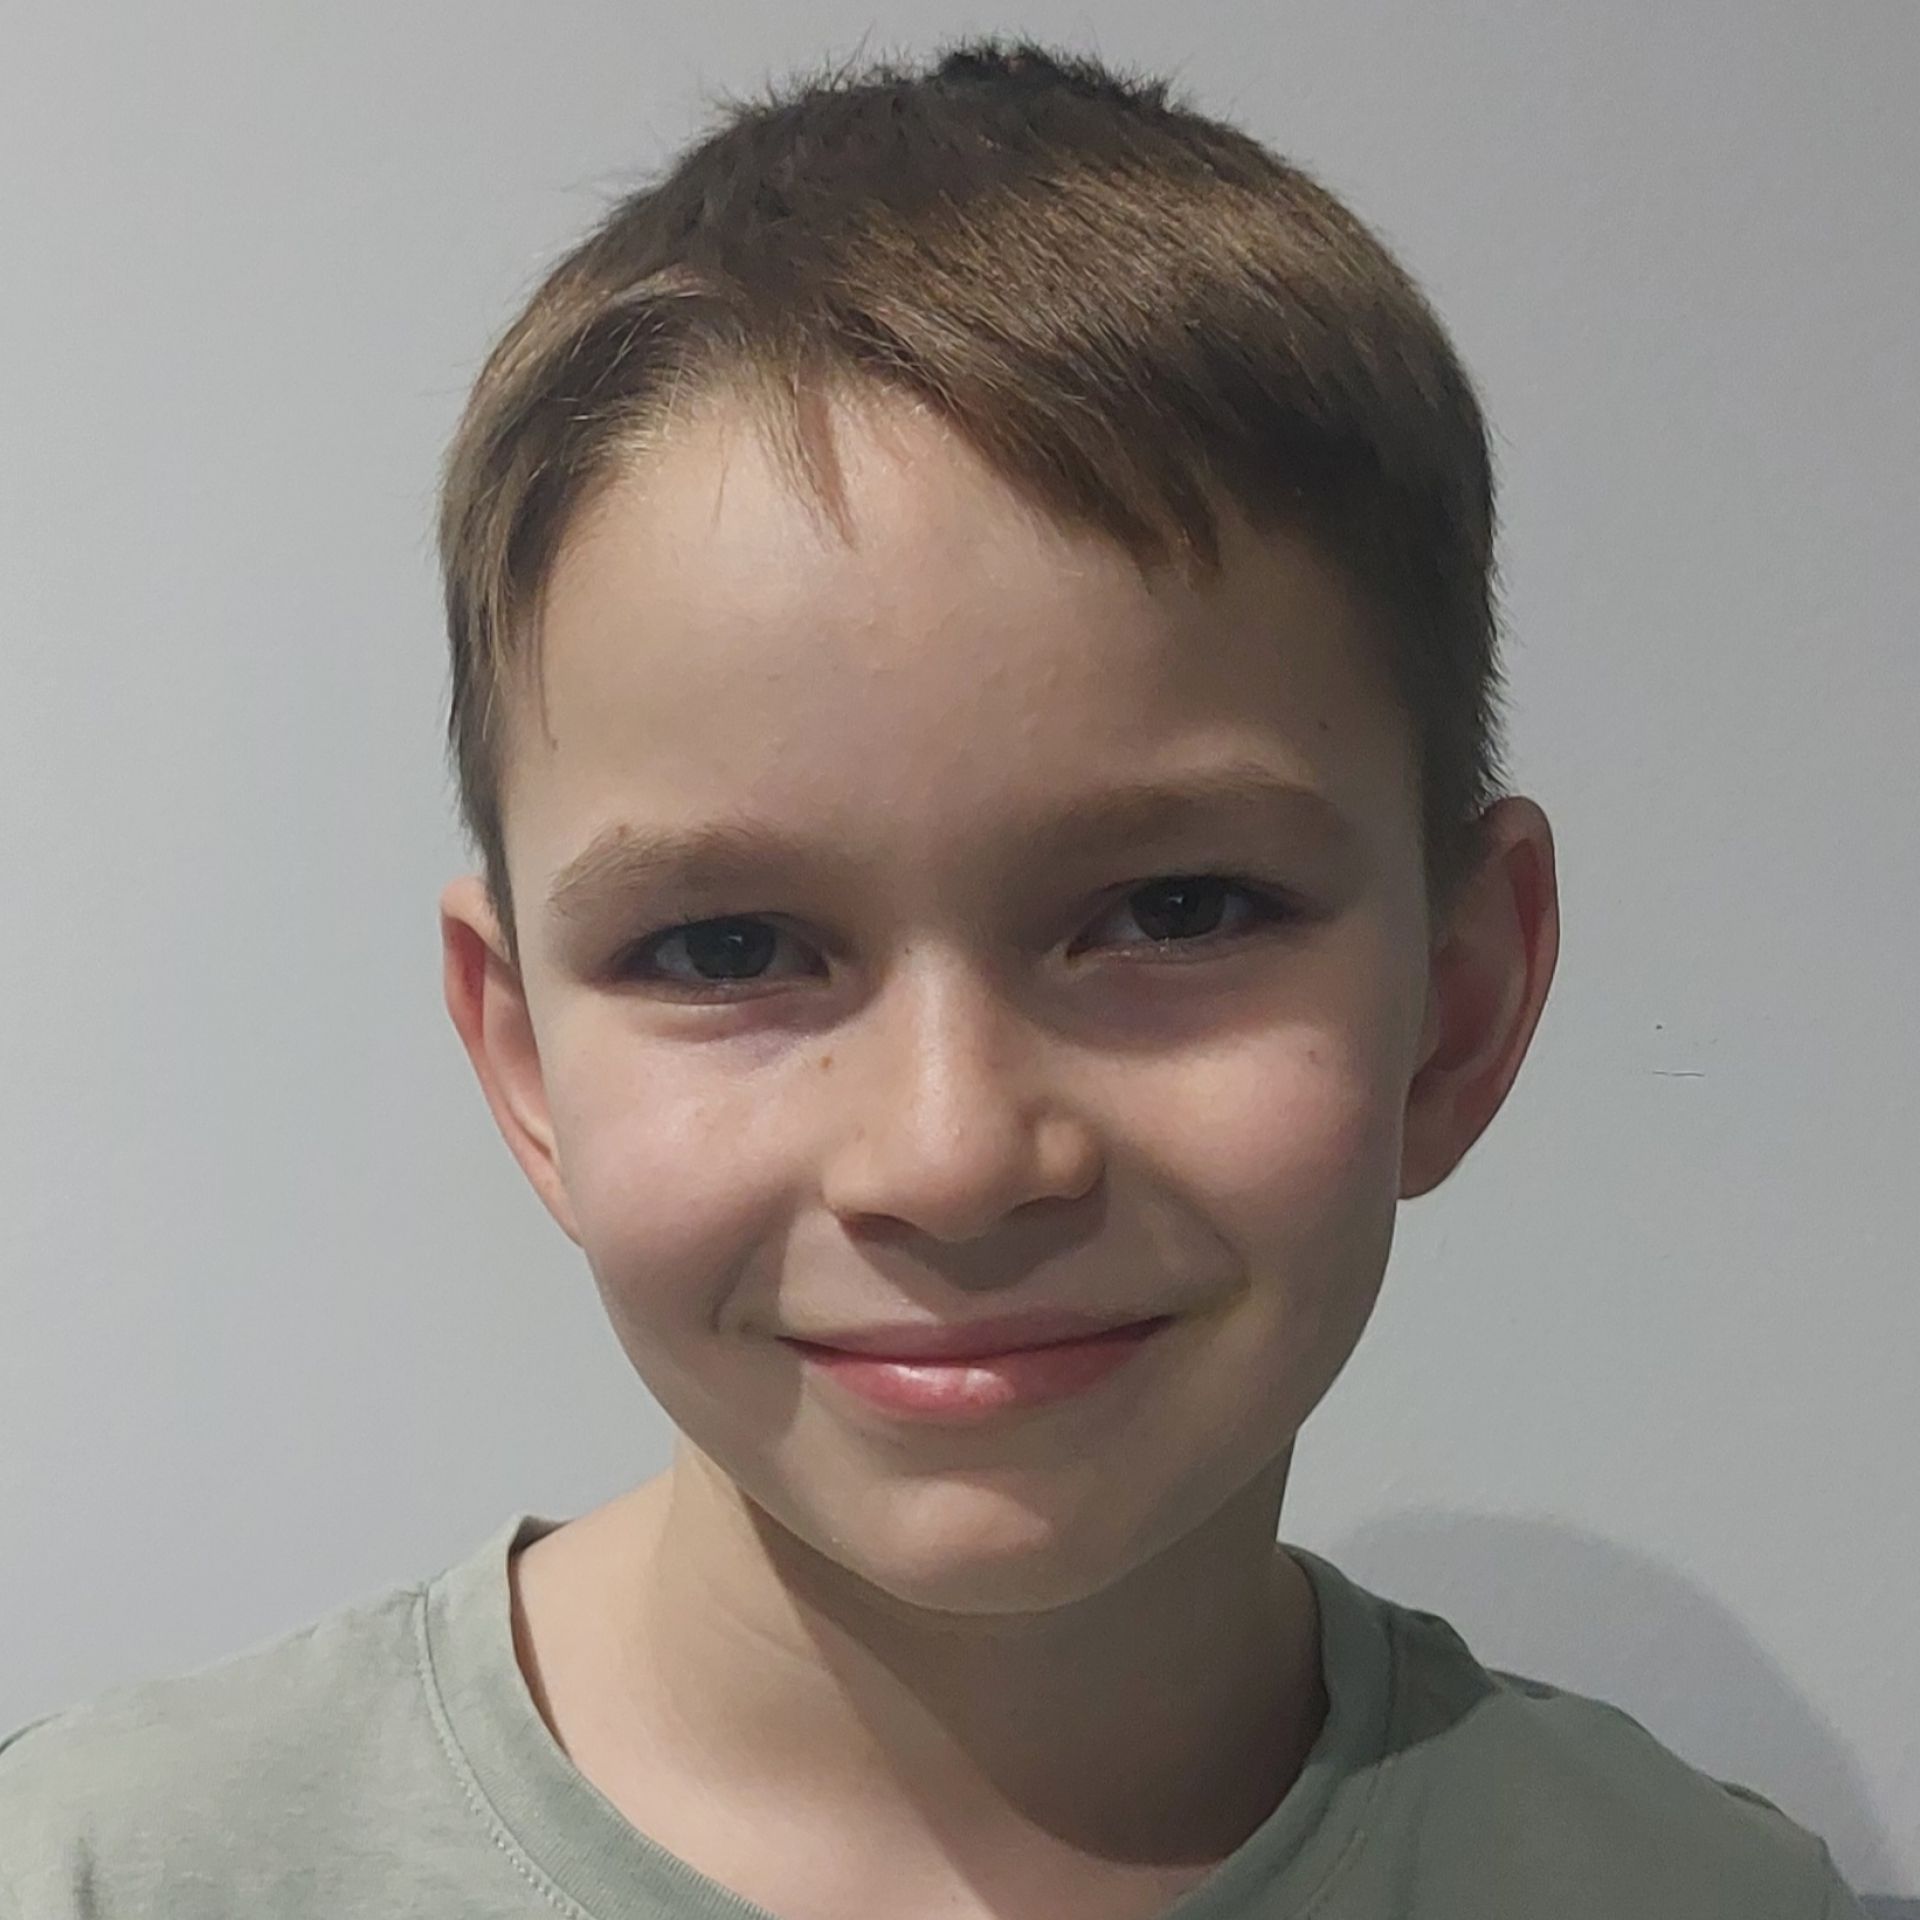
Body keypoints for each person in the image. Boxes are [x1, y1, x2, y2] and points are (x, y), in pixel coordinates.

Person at [0, 35, 1870, 1920]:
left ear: (1457, 1008)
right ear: (527, 1064)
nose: (951, 1157)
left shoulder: (1683, 1895)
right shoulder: (104, 1875)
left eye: (1176, 911)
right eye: (727, 947)